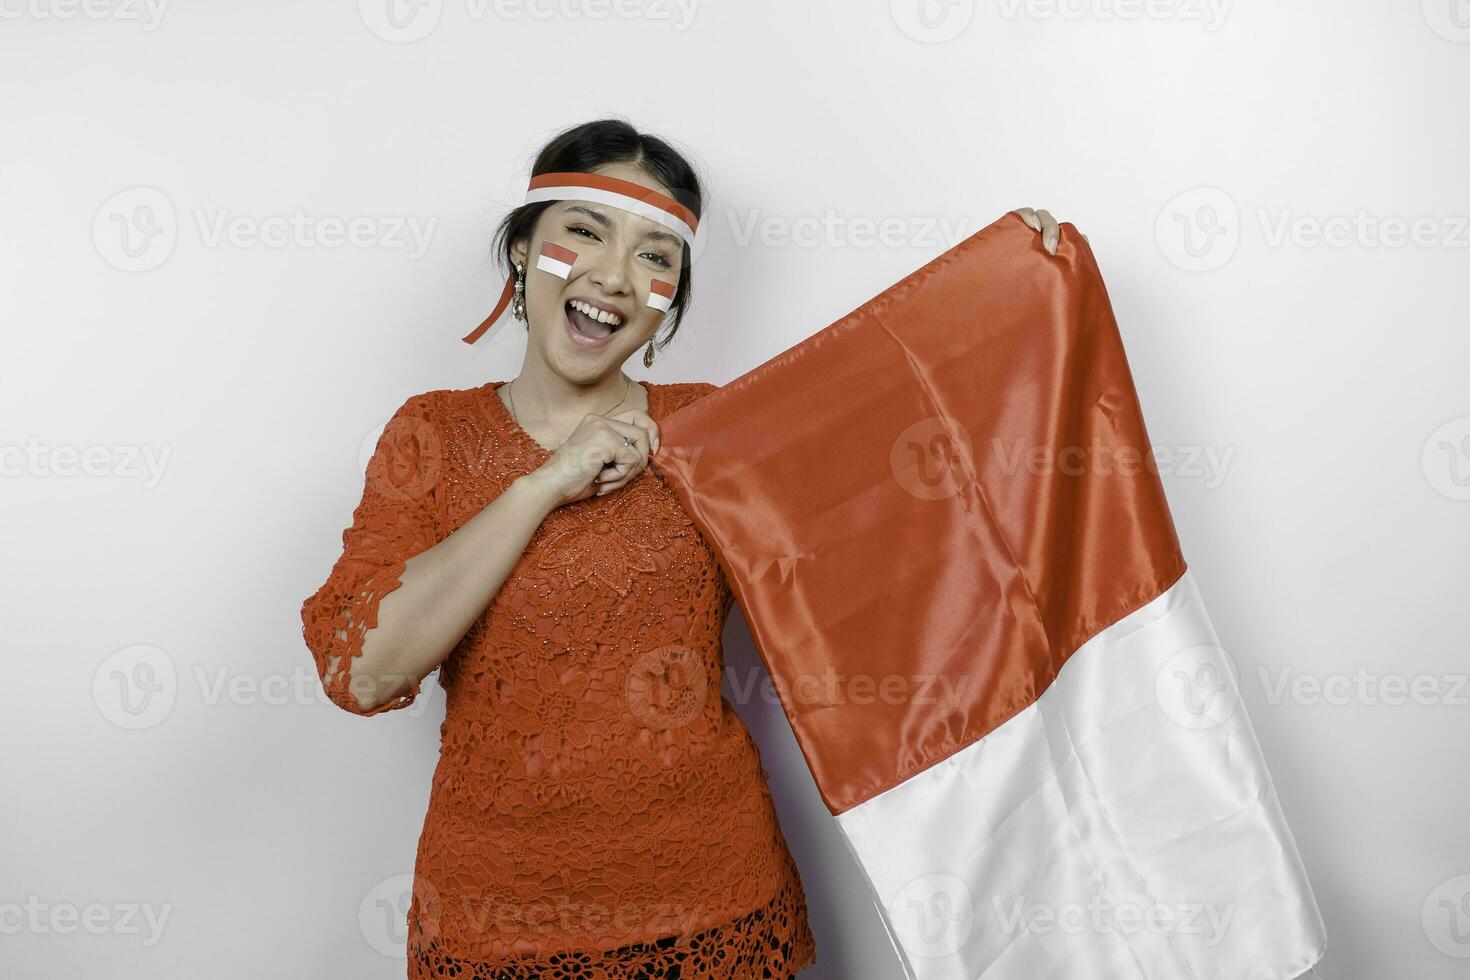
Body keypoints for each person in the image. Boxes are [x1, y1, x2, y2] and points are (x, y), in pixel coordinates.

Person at [300, 116, 1062, 978]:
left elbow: (901, 492)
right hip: (493, 916)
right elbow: (361, 674)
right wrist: (544, 484)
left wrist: (1006, 296)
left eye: (656, 256)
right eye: (586, 232)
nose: (616, 277)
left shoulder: (713, 429)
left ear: (672, 299)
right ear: (521, 249)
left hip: (715, 903)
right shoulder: (432, 434)